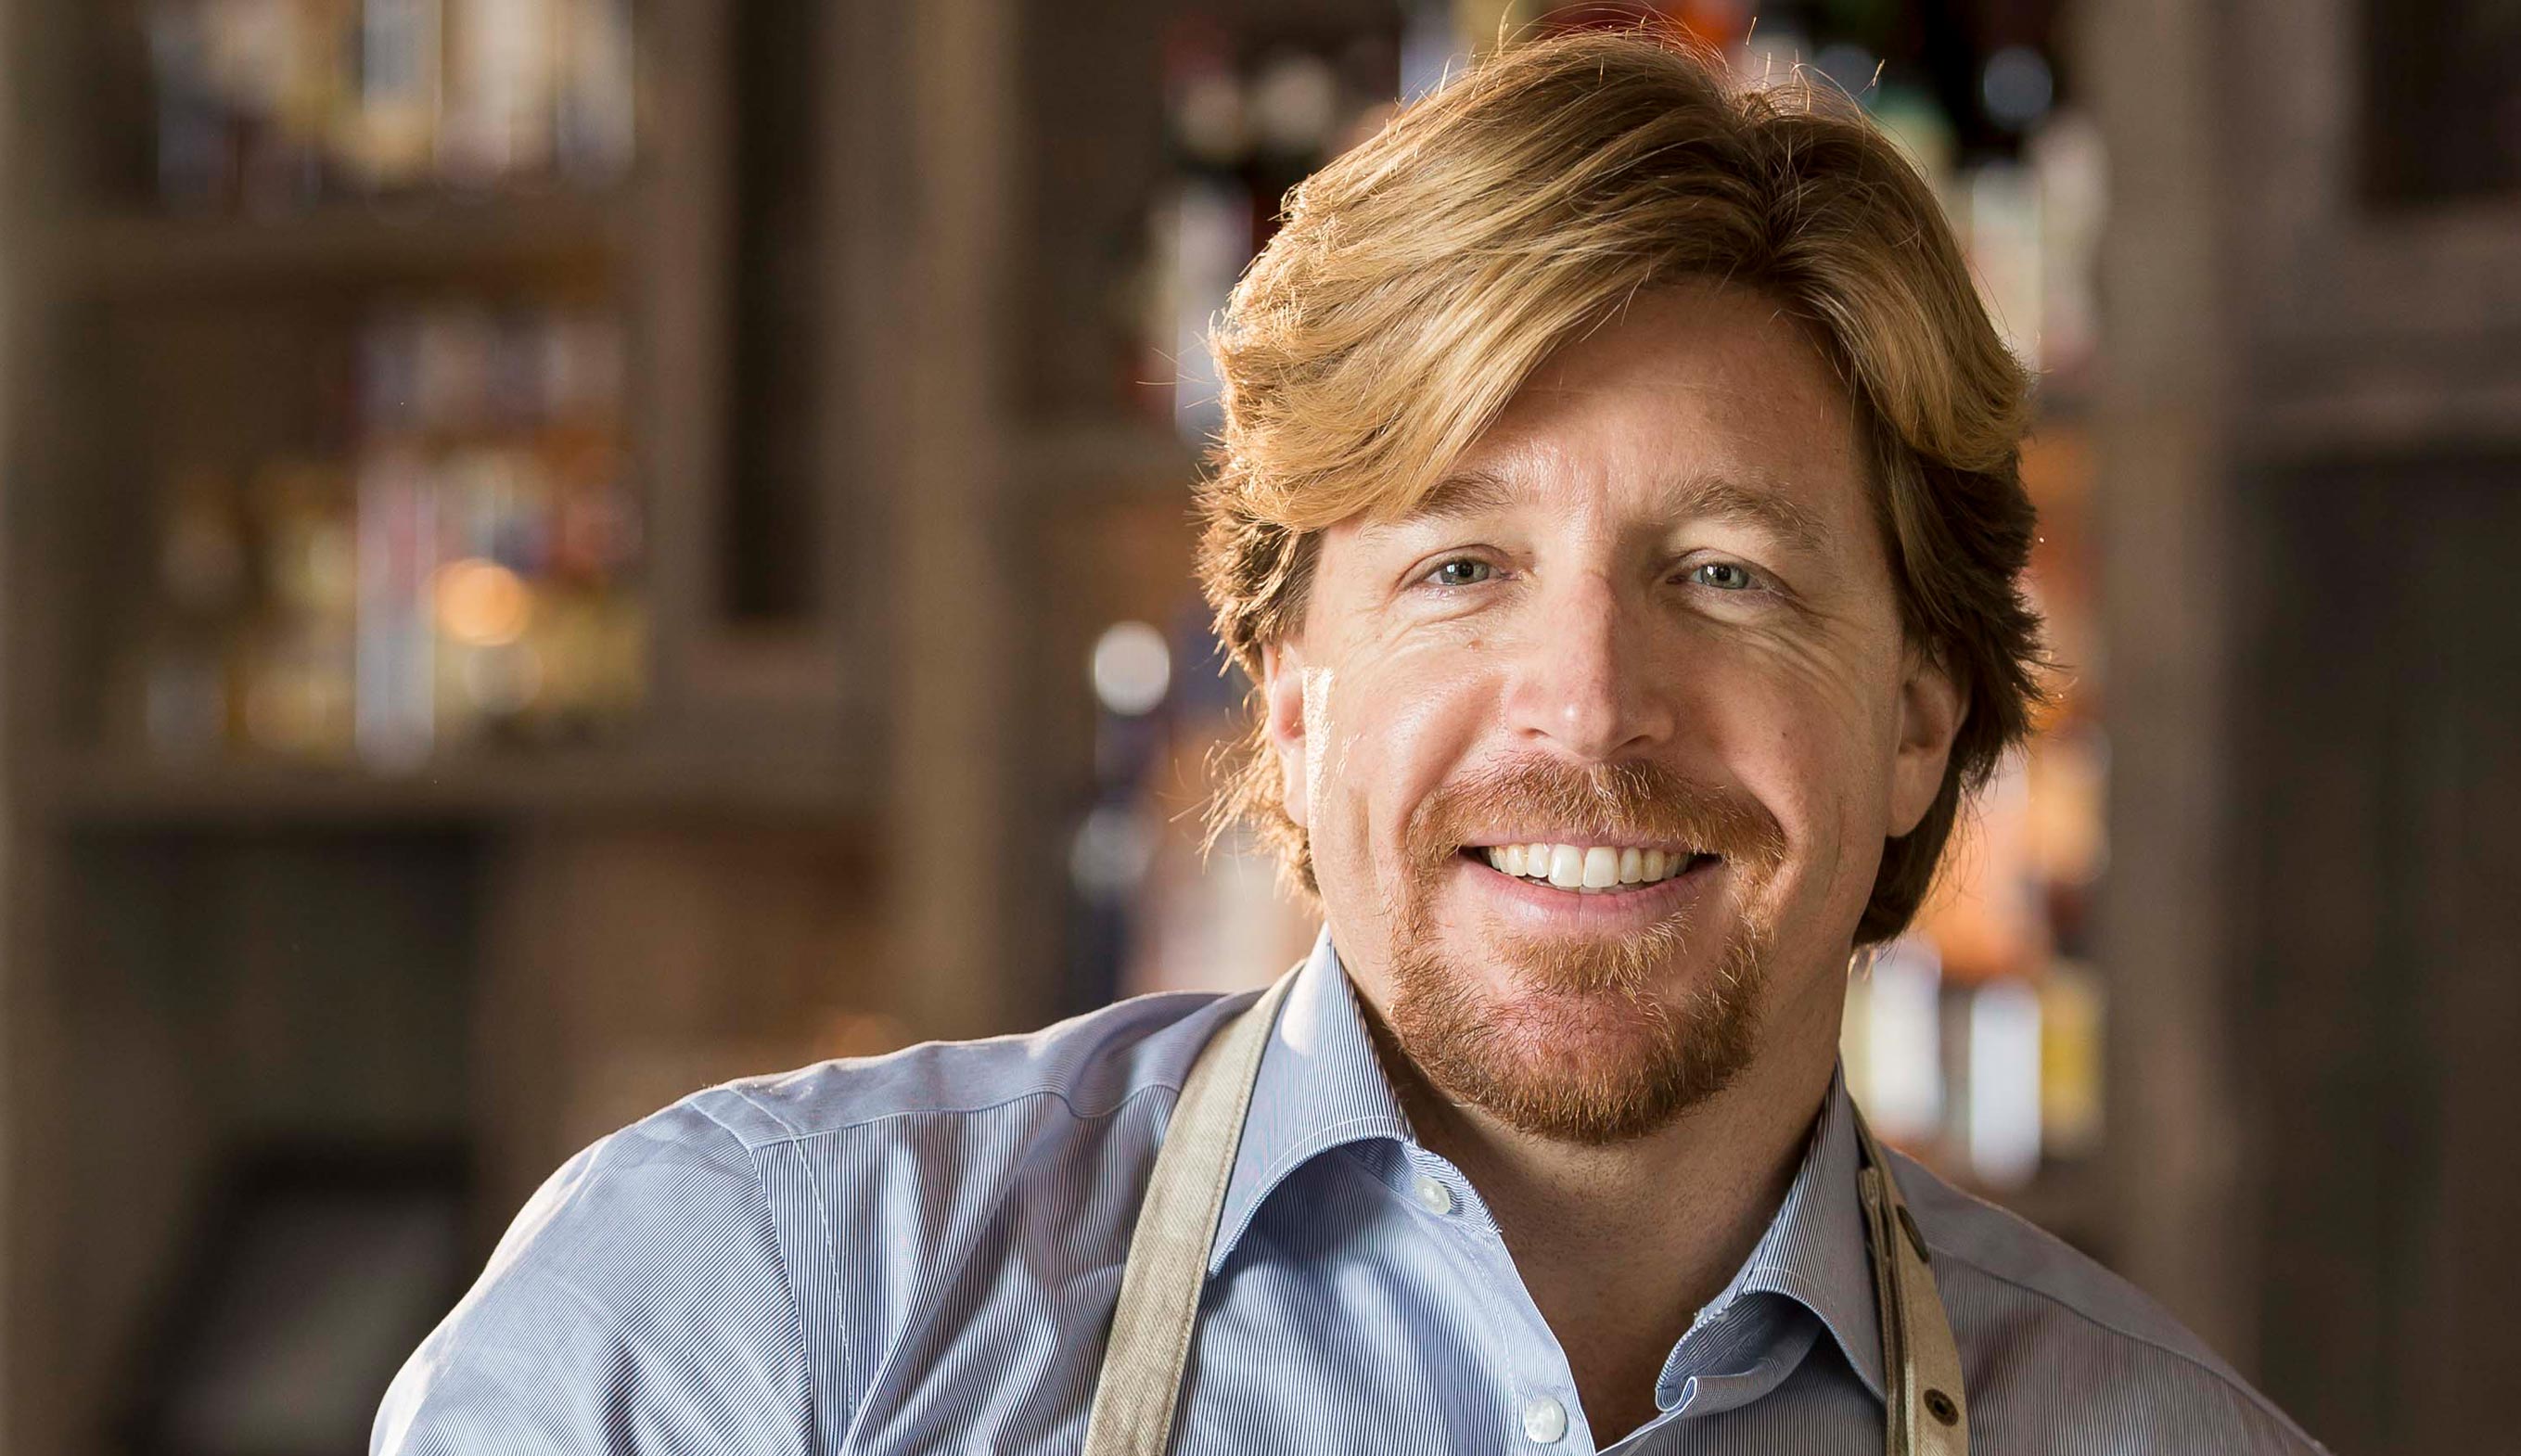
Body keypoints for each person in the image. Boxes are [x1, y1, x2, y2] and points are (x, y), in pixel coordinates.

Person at [374, 28, 2325, 1456]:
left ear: (1916, 715)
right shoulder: (762, 1310)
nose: (1588, 703)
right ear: (1289, 688)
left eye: (1726, 575)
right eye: (1462, 566)